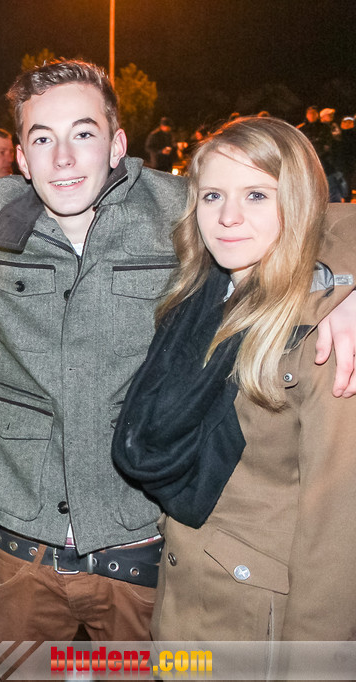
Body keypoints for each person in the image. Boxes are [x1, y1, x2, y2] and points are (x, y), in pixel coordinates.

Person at [0, 59, 356, 645]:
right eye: (43, 139)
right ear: (22, 158)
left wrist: (344, 287)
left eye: (84, 134)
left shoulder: (178, 207)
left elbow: (302, 212)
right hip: (21, 560)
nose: (64, 159)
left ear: (117, 144)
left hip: (141, 554)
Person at [113, 117, 356, 652]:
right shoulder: (199, 299)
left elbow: (337, 535)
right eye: (212, 195)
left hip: (258, 627)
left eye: (256, 195)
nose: (228, 217)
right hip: (186, 606)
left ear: (297, 203)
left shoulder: (324, 334)